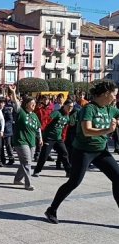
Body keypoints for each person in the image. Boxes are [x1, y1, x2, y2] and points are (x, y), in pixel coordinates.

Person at [45, 81, 119, 224]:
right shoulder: (88, 109)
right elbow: (87, 130)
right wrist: (108, 130)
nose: (115, 97)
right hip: (83, 151)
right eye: (114, 94)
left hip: (101, 151)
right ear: (105, 94)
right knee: (74, 182)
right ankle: (52, 209)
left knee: (118, 178)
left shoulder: (110, 109)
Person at [9, 85, 42, 191]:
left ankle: (17, 179)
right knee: (27, 162)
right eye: (32, 103)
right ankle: (28, 184)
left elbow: (38, 128)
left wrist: (40, 138)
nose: (34, 105)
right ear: (27, 104)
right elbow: (16, 103)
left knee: (26, 162)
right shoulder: (21, 112)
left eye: (34, 103)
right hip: (21, 141)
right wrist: (13, 92)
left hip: (32, 141)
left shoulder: (35, 115)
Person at [33, 99, 74, 178]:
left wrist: (63, 137)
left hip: (58, 139)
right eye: (69, 106)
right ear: (64, 105)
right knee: (44, 155)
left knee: (64, 153)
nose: (70, 108)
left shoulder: (67, 116)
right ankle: (37, 171)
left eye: (72, 107)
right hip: (49, 138)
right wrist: (42, 131)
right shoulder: (57, 113)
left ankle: (68, 171)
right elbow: (47, 120)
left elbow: (65, 128)